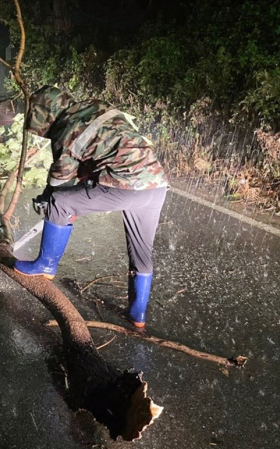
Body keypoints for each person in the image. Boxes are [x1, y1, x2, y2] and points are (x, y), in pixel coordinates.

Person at [14, 86, 169, 329]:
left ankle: (45, 265)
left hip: (125, 186)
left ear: (46, 115)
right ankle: (137, 315)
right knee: (141, 253)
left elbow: (61, 177)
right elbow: (102, 152)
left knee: (60, 202)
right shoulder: (97, 106)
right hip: (155, 184)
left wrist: (48, 198)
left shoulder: (66, 130)